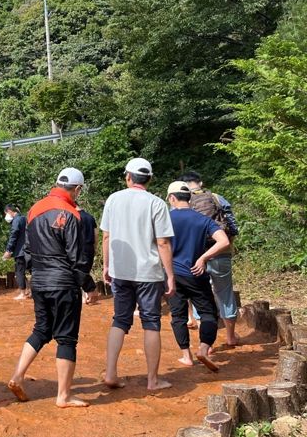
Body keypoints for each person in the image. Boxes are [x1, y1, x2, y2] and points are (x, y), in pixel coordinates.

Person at [8, 168, 98, 407]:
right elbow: (76, 257)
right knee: (66, 339)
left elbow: (27, 250)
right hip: (63, 283)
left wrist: (36, 275)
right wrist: (89, 285)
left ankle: (18, 376)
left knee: (41, 329)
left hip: (39, 281)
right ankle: (63, 396)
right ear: (77, 189)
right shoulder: (71, 213)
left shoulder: (34, 209)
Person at [101, 158, 176, 391]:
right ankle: (152, 380)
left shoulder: (113, 199)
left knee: (120, 320)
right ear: (149, 179)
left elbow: (106, 236)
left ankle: (110, 373)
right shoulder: (156, 203)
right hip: (149, 273)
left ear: (128, 177)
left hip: (120, 271)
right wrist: (170, 275)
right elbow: (162, 242)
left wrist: (106, 266)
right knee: (151, 321)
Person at [165, 181, 230, 372]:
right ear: (190, 199)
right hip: (196, 273)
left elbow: (157, 244)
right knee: (208, 313)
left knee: (178, 315)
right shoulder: (202, 220)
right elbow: (224, 241)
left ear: (172, 198)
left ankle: (187, 356)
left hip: (173, 274)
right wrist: (203, 258)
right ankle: (203, 348)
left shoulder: (166, 219)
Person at [180, 171, 241, 348]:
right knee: (225, 294)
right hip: (221, 252)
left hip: (194, 256)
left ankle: (206, 343)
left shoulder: (182, 202)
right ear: (200, 182)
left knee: (199, 295)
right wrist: (227, 246)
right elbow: (233, 227)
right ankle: (230, 337)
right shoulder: (217, 198)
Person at [2, 204, 29, 300]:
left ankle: (22, 293)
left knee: (19, 272)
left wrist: (9, 250)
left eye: (6, 213)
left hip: (20, 251)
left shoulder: (16, 220)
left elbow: (13, 235)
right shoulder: (24, 218)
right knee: (29, 271)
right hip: (28, 249)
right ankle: (28, 290)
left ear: (9, 211)